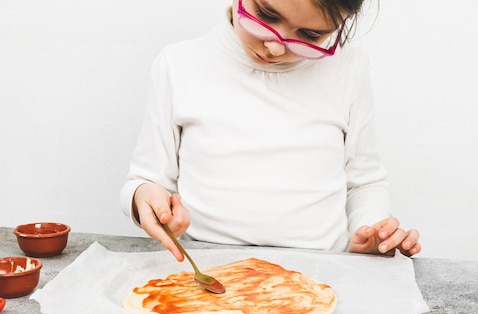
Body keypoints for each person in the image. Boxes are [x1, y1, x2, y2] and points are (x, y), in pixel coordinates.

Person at [120, 0, 421, 262]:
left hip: (322, 270)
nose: (275, 46)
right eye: (266, 14)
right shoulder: (178, 64)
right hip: (203, 269)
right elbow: (146, 180)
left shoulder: (349, 69)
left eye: (311, 35)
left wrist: (371, 230)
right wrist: (143, 197)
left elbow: (364, 182)